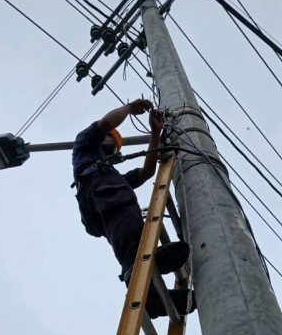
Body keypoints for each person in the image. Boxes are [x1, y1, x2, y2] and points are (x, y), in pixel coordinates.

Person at [72, 98, 195, 318]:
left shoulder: (114, 176)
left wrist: (155, 133)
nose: (113, 138)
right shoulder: (84, 146)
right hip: (104, 196)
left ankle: (152, 290)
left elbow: (147, 172)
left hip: (110, 199)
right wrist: (129, 108)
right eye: (110, 136)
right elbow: (106, 123)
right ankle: (135, 269)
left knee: (132, 225)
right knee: (123, 218)